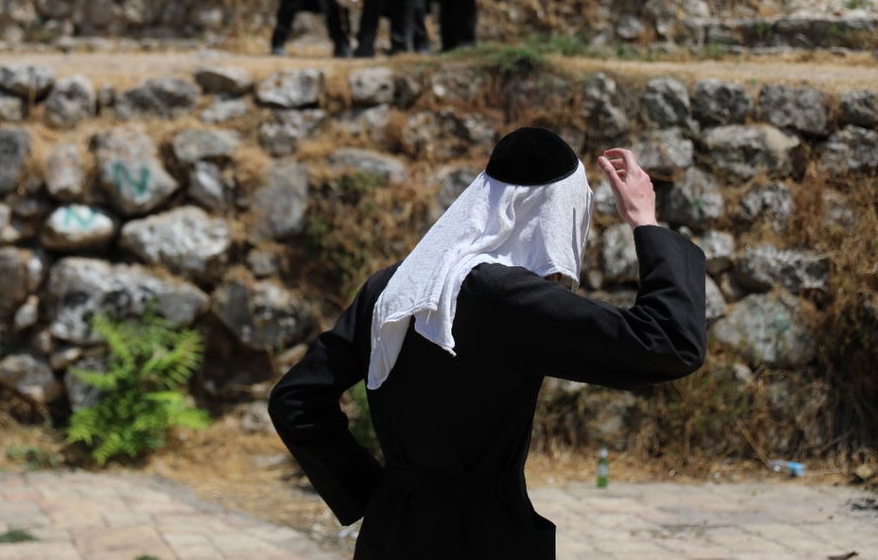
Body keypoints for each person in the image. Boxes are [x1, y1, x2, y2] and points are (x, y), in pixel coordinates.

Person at [269, 128, 707, 560]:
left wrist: (372, 493)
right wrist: (645, 222)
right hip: (485, 538)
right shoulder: (511, 300)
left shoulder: (392, 286)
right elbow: (668, 343)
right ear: (555, 214)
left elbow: (296, 399)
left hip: (390, 536)